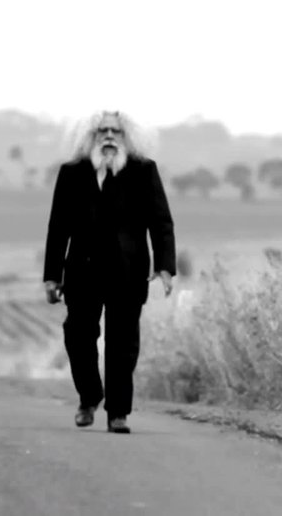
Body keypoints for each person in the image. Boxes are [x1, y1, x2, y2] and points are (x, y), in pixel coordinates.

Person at [42, 110, 176, 433]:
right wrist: (51, 275)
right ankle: (89, 396)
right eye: (102, 131)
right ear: (89, 136)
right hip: (82, 271)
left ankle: (118, 413)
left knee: (122, 345)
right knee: (78, 336)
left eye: (116, 131)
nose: (109, 137)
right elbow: (58, 227)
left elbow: (161, 221)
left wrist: (165, 267)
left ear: (128, 137)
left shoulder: (144, 171)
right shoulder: (72, 173)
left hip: (128, 273)